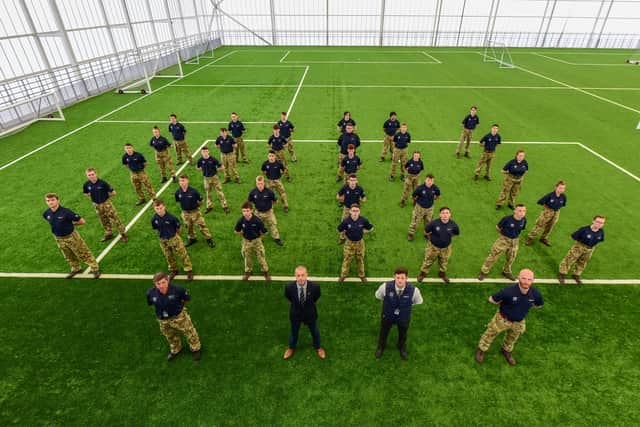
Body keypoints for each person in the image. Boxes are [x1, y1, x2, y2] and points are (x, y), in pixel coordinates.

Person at [475, 268, 543, 366]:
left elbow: (538, 305)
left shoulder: (536, 294)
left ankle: (506, 350)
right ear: (518, 278)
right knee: (490, 334)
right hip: (502, 319)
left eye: (529, 279)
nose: (526, 282)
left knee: (512, 338)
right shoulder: (508, 291)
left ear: (533, 280)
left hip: (519, 322)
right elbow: (492, 299)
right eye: (524, 278)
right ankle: (481, 349)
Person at [42, 193, 100, 279]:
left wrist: (70, 225)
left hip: (71, 236)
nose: (50, 202)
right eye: (48, 201)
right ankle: (76, 268)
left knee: (83, 252)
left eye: (53, 200)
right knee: (68, 255)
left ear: (58, 200)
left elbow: (82, 221)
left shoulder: (66, 212)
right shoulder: (46, 213)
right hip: (58, 238)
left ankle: (95, 268)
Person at [147, 271, 201, 361]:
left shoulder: (178, 289)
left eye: (163, 282)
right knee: (170, 336)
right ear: (155, 284)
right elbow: (151, 303)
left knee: (190, 332)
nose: (161, 286)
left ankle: (195, 348)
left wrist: (180, 309)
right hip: (163, 320)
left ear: (168, 281)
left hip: (179, 317)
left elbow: (186, 300)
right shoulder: (150, 293)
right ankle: (176, 349)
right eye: (158, 284)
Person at [374, 266, 423, 360]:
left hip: (403, 317)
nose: (400, 280)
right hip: (388, 315)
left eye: (402, 278)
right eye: (398, 278)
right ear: (394, 277)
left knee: (403, 333)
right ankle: (381, 346)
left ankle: (401, 347)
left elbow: (417, 301)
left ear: (406, 278)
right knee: (383, 332)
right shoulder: (385, 287)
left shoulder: (414, 290)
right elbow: (378, 296)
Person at [283, 265, 325, 360]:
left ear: (307, 275)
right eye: (298, 275)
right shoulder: (289, 287)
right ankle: (291, 348)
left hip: (310, 314)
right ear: (295, 276)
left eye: (302, 275)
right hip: (295, 315)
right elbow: (289, 297)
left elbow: (316, 297)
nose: (301, 278)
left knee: (314, 331)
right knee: (294, 332)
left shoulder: (315, 287)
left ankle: (318, 347)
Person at [478, 204, 527, 281]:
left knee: (511, 257)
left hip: (515, 241)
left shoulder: (524, 220)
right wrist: (503, 236)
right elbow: (497, 227)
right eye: (520, 210)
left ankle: (506, 271)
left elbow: (521, 229)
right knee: (494, 255)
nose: (522, 213)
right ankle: (484, 271)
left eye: (524, 211)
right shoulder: (507, 219)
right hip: (503, 240)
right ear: (515, 211)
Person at [151, 199, 193, 281]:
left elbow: (179, 229)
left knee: (182, 254)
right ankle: (174, 270)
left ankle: (189, 270)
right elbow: (156, 228)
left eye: (160, 208)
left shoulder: (171, 218)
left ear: (164, 207)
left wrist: (174, 236)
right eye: (157, 208)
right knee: (168, 256)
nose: (159, 210)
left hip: (174, 238)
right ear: (154, 209)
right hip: (163, 240)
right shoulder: (154, 219)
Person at [83, 168, 128, 243]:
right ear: (87, 176)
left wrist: (106, 197)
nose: (91, 176)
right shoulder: (86, 184)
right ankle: (109, 233)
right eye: (89, 175)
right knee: (103, 220)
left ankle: (123, 234)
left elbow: (113, 192)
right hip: (97, 205)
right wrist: (94, 196)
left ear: (96, 174)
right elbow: (86, 193)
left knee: (115, 218)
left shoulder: (103, 183)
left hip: (106, 204)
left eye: (92, 174)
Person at [417, 207, 459, 283]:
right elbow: (426, 232)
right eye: (443, 213)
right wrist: (433, 239)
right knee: (428, 261)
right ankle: (422, 274)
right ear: (440, 215)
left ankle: (442, 274)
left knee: (444, 262)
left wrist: (445, 238)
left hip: (446, 248)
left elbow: (455, 233)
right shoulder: (434, 223)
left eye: (447, 213)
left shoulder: (453, 224)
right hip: (433, 247)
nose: (445, 215)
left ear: (450, 214)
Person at [558, 216, 605, 284]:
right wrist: (579, 245)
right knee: (569, 260)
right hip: (579, 247)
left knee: (582, 262)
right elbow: (573, 236)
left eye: (601, 223)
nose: (599, 224)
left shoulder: (601, 232)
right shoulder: (584, 229)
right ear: (593, 221)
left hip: (590, 249)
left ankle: (576, 274)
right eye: (598, 222)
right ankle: (562, 274)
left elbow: (600, 240)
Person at [174, 175, 215, 248]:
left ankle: (209, 239)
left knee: (201, 225)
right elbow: (178, 201)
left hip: (195, 211)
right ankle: (192, 238)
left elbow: (201, 201)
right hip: (185, 212)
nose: (181, 182)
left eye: (183, 181)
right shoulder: (178, 192)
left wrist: (196, 207)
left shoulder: (193, 191)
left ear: (187, 181)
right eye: (180, 181)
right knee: (188, 226)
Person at [234, 201, 271, 281]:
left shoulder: (257, 221)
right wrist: (243, 235)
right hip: (246, 241)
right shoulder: (241, 220)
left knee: (261, 257)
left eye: (247, 211)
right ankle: (248, 272)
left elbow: (265, 232)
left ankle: (265, 271)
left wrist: (259, 238)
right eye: (244, 211)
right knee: (247, 258)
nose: (245, 213)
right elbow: (236, 231)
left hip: (257, 241)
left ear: (251, 210)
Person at [337, 204, 373, 283]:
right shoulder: (346, 221)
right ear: (350, 211)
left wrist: (363, 231)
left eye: (357, 211)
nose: (355, 212)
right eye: (353, 211)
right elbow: (339, 229)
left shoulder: (363, 220)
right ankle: (343, 275)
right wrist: (346, 234)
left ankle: (362, 275)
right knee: (347, 259)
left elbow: (371, 228)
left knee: (360, 259)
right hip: (349, 244)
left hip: (360, 243)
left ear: (359, 212)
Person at [526, 181, 567, 246]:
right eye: (560, 188)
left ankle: (543, 238)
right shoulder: (550, 195)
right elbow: (540, 202)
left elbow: (563, 204)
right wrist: (546, 208)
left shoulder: (563, 197)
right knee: (539, 225)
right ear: (556, 187)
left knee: (550, 226)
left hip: (556, 212)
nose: (561, 190)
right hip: (547, 212)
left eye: (563, 188)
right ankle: (530, 237)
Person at [248, 176, 283, 246]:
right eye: (258, 184)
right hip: (258, 213)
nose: (260, 185)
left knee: (273, 225)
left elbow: (275, 201)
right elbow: (250, 202)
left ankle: (276, 238)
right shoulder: (252, 192)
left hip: (269, 212)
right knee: (257, 226)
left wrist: (269, 207)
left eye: (261, 183)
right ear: (256, 183)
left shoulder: (269, 192)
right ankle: (259, 238)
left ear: (264, 183)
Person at [195, 146, 229, 214]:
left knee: (219, 192)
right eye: (203, 152)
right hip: (206, 178)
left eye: (206, 151)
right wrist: (203, 169)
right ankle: (209, 207)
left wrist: (216, 169)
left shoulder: (213, 159)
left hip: (214, 178)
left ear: (208, 152)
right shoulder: (200, 160)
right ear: (201, 153)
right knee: (208, 193)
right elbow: (197, 167)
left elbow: (222, 167)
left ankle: (225, 206)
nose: (205, 153)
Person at [407, 174, 440, 241]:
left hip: (430, 208)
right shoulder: (420, 188)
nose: (429, 182)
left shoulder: (435, 188)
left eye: (431, 180)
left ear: (433, 181)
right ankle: (411, 234)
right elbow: (413, 196)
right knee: (415, 221)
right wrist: (418, 202)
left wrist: (434, 199)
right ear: (425, 180)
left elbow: (438, 196)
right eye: (428, 180)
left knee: (428, 222)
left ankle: (426, 234)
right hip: (419, 208)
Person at [337, 175, 366, 244]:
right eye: (351, 180)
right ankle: (342, 238)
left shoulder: (360, 189)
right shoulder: (345, 188)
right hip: (347, 209)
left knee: (357, 224)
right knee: (344, 223)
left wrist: (361, 199)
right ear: (348, 181)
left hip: (356, 210)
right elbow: (338, 196)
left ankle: (355, 236)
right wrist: (344, 200)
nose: (353, 182)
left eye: (354, 180)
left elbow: (364, 198)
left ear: (356, 181)